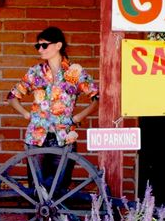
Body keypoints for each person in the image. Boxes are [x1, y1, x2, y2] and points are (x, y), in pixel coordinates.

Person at [6, 26, 99, 191]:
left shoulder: (75, 73)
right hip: (36, 137)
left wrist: (77, 118)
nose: (40, 50)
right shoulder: (35, 73)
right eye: (38, 46)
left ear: (58, 45)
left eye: (44, 45)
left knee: (59, 189)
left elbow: (97, 98)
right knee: (37, 191)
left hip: (64, 138)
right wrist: (27, 114)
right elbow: (13, 96)